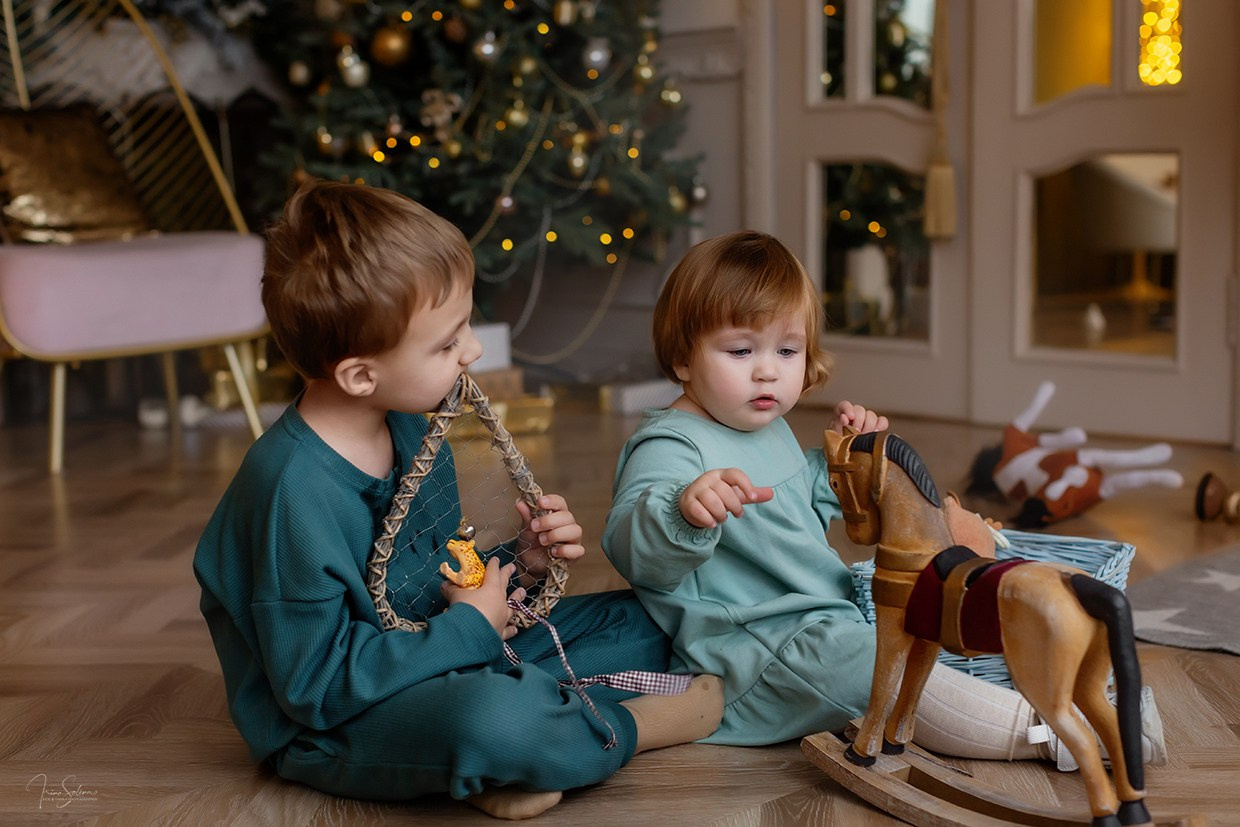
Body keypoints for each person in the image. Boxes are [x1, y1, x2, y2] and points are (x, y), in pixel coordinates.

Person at [193, 179, 723, 821]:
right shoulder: (290, 495)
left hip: (437, 649)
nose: (472, 351)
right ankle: (624, 725)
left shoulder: (413, 424)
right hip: (338, 722)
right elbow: (317, 689)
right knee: (492, 720)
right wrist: (471, 628)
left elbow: (428, 583)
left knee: (654, 616)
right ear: (361, 374)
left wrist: (517, 568)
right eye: (447, 343)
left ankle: (520, 742)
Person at [602, 230, 1165, 769]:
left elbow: (807, 515)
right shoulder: (671, 444)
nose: (768, 370)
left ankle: (1063, 701)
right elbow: (633, 548)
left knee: (915, 635)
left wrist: (848, 462)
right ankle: (1053, 733)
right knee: (874, 671)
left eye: (788, 349)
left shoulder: (763, 427)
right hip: (755, 650)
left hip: (822, 618)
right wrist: (683, 510)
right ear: (682, 359)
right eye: (742, 350)